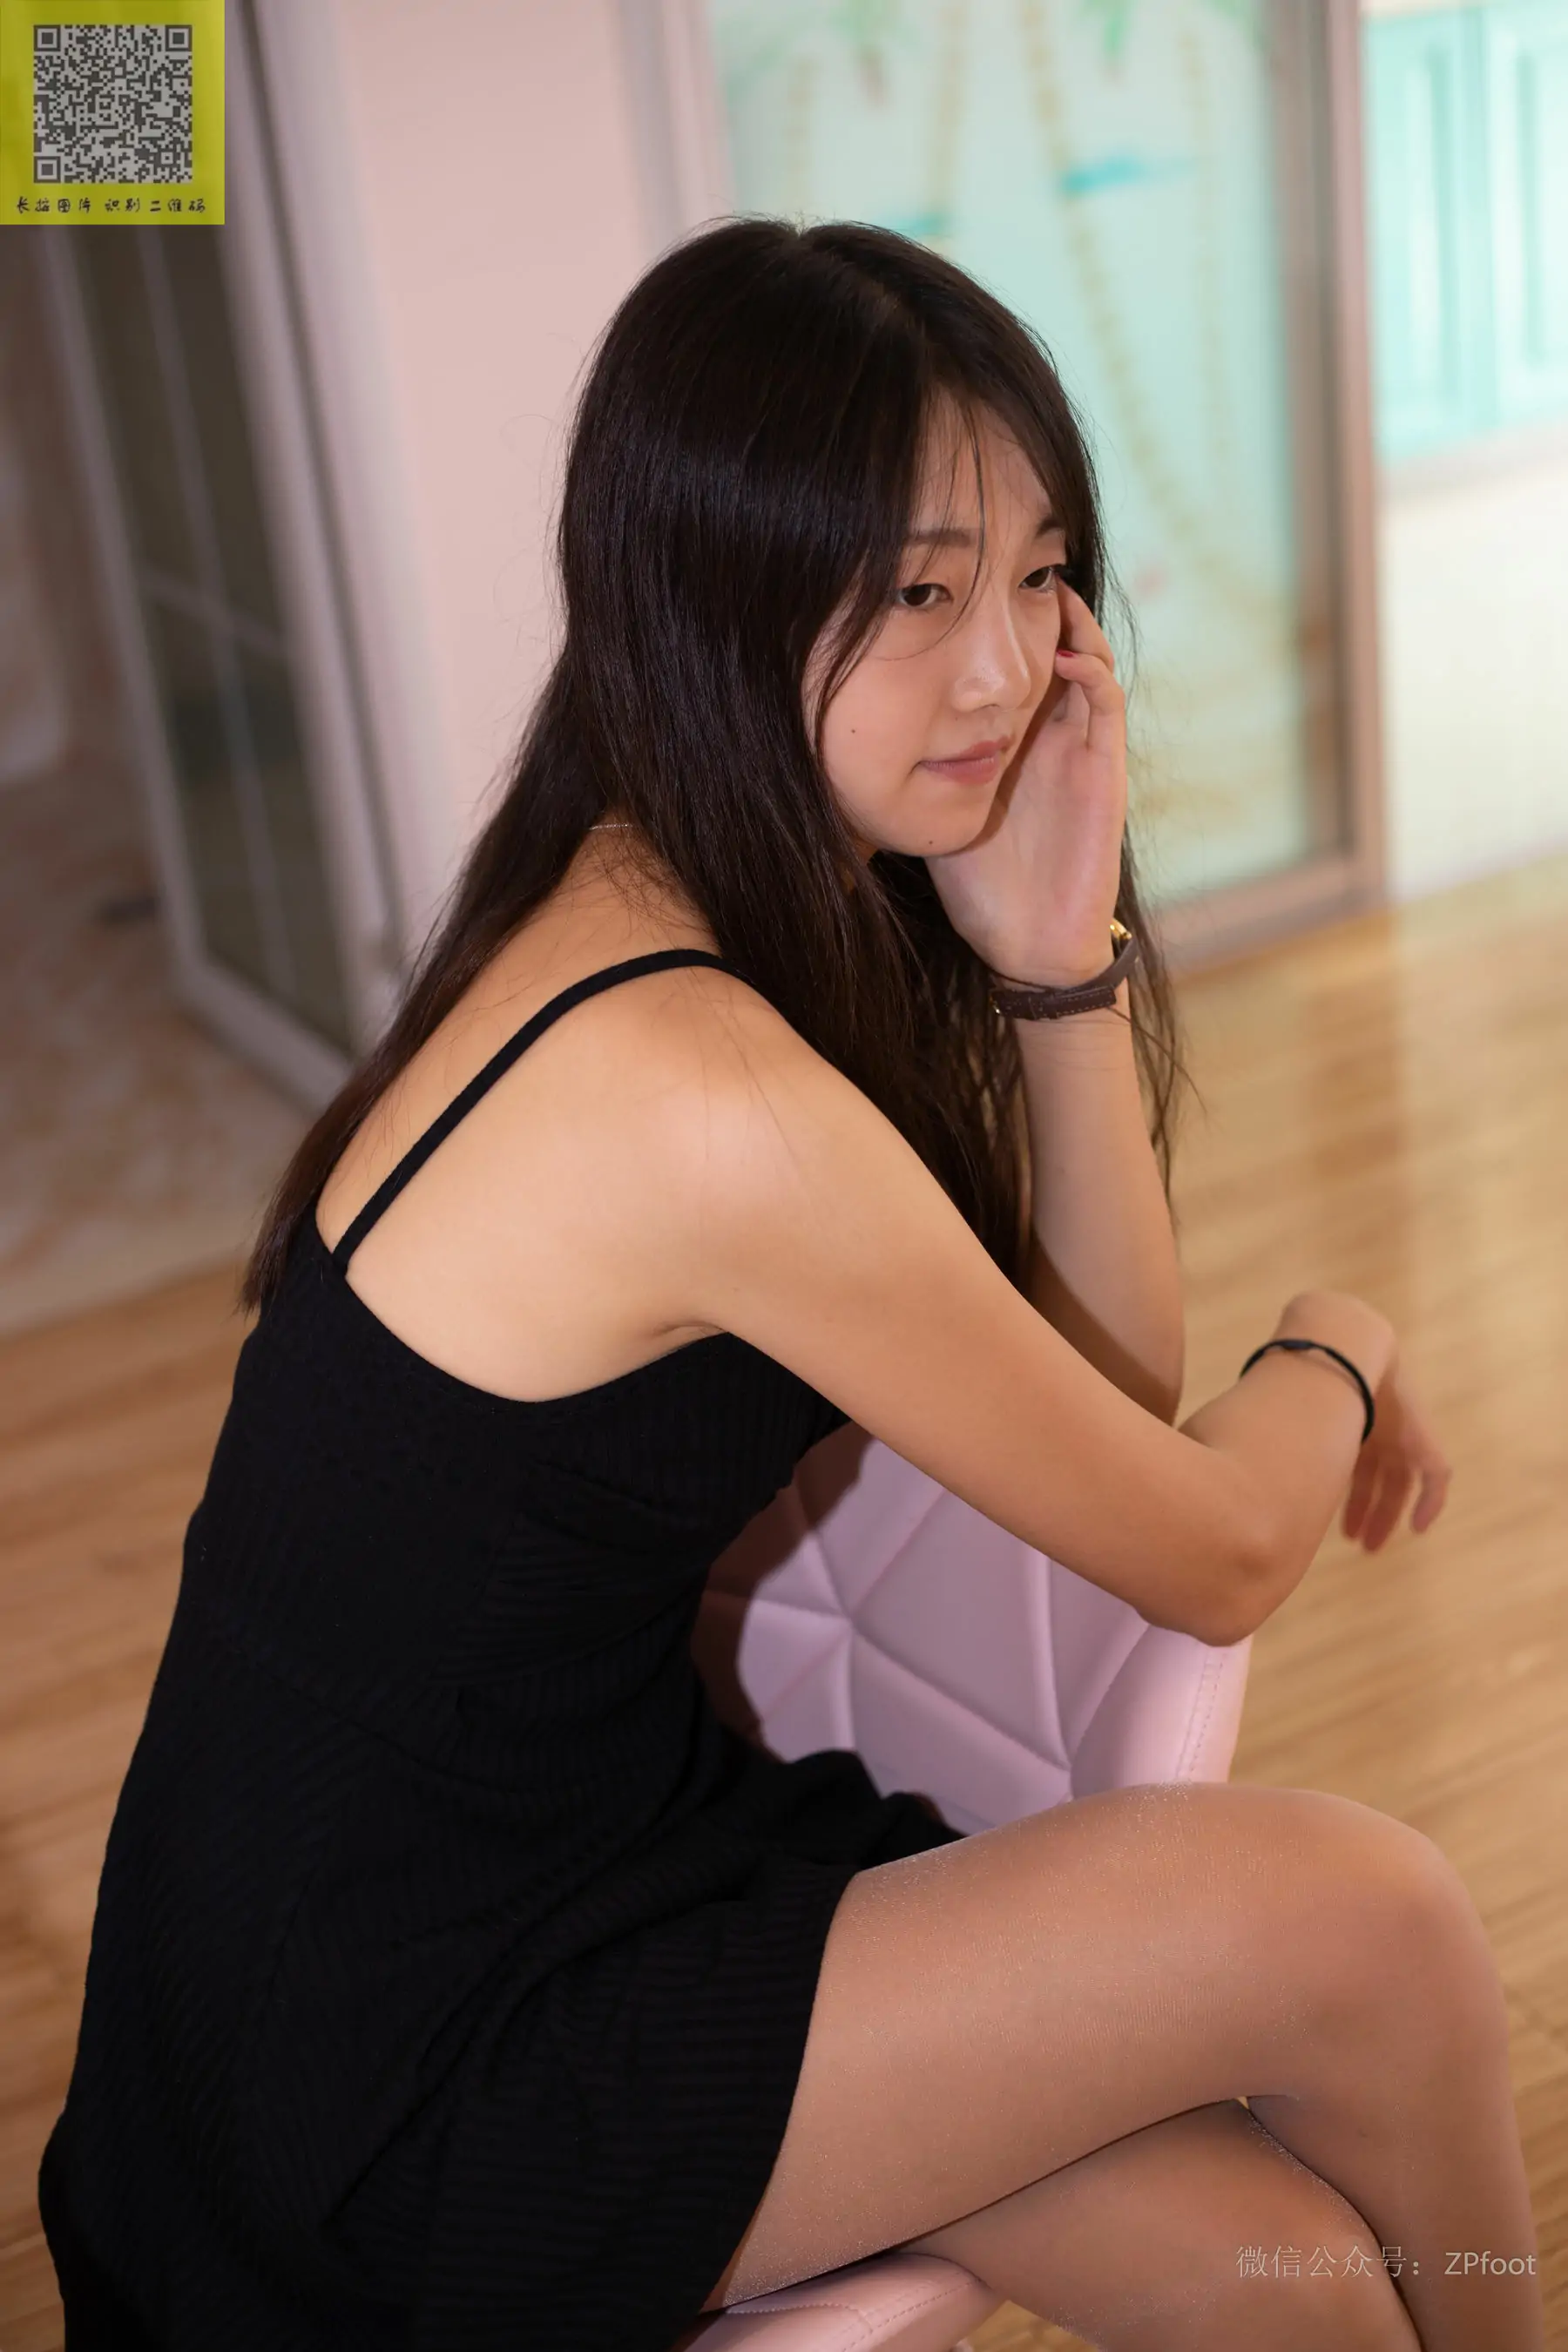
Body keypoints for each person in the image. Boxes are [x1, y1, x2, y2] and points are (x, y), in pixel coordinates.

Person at [38, 219, 1541, 2352]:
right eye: (920, 592)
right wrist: (1344, 1343)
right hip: (396, 2072)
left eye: (1039, 575)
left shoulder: (639, 887)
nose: (1007, 671)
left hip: (528, 1860)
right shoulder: (702, 1090)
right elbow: (1211, 1549)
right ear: (708, 589)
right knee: (1370, 1919)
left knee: (1274, 2281)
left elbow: (1096, 1394)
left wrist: (1051, 965)